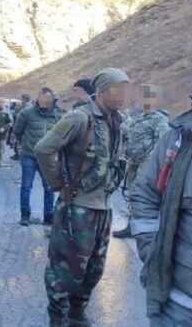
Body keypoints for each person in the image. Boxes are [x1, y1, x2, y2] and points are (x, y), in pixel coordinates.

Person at [34, 68, 130, 327]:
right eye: (117, 88)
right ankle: (58, 318)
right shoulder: (79, 117)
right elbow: (43, 148)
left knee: (93, 270)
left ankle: (77, 313)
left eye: (125, 88)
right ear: (102, 90)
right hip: (77, 208)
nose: (122, 94)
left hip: (104, 208)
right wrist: (58, 184)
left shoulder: (118, 121)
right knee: (64, 270)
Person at [130, 85, 192, 325]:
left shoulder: (158, 120)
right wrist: (153, 251)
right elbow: (145, 194)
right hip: (180, 305)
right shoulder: (179, 138)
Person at [113, 84, 170, 238]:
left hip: (147, 163)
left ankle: (147, 228)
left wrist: (152, 161)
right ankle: (131, 226)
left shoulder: (159, 118)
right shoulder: (136, 115)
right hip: (133, 161)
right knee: (132, 194)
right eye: (144, 96)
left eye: (150, 96)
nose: (147, 99)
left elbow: (162, 142)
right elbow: (128, 133)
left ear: (156, 99)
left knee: (143, 195)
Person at [13, 88, 60, 226]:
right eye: (43, 98)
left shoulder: (57, 115)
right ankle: (25, 214)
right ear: (38, 98)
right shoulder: (27, 113)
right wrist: (25, 145)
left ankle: (48, 216)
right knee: (26, 186)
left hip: (48, 158)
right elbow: (17, 131)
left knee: (49, 187)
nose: (45, 102)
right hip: (29, 155)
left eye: (48, 99)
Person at [10, 93, 32, 160]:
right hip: (26, 128)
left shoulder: (25, 107)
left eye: (22, 99)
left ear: (25, 99)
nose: (21, 100)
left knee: (18, 142)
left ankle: (19, 155)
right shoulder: (30, 106)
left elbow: (19, 117)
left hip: (23, 127)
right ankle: (18, 154)